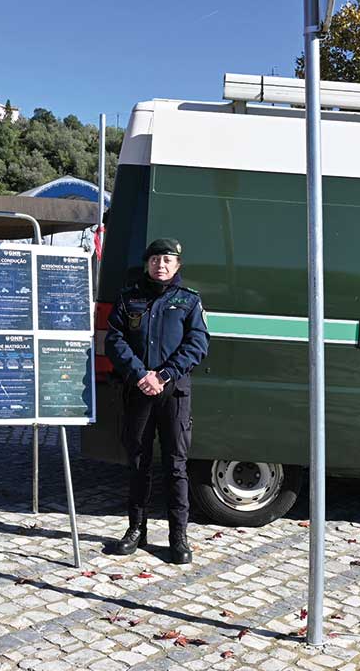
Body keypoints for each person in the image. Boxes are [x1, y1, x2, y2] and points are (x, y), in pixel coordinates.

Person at [104, 238, 210, 564]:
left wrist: (162, 375)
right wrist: (140, 375)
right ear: (147, 263)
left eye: (167, 260)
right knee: (139, 463)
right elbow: (114, 340)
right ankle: (136, 529)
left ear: (177, 266)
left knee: (176, 466)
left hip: (173, 394)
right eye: (154, 260)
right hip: (138, 392)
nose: (160, 265)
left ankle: (178, 536)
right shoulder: (129, 298)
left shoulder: (189, 301)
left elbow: (198, 343)